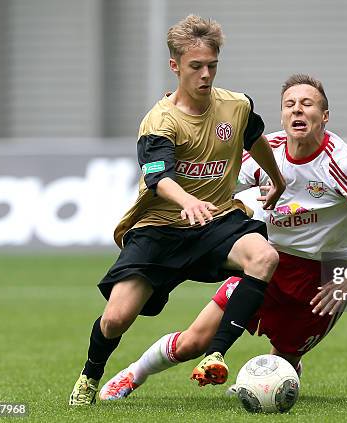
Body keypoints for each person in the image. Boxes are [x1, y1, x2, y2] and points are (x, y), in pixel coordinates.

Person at [98, 74, 347, 400]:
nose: (297, 112)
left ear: (325, 116)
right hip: (267, 261)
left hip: (321, 277)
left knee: (285, 361)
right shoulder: (268, 152)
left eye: (307, 104)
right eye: (290, 105)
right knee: (196, 340)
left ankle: (272, 374)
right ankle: (134, 373)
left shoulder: (343, 165)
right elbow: (218, 185)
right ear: (281, 115)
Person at [68, 15, 286, 405]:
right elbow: (159, 177)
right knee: (116, 318)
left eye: (212, 66)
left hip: (216, 219)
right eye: (195, 66)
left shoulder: (236, 105)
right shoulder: (159, 122)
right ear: (175, 66)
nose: (205, 74)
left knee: (264, 257)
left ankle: (216, 352)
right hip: (159, 227)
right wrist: (188, 200)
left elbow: (255, 139)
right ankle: (89, 375)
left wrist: (277, 178)